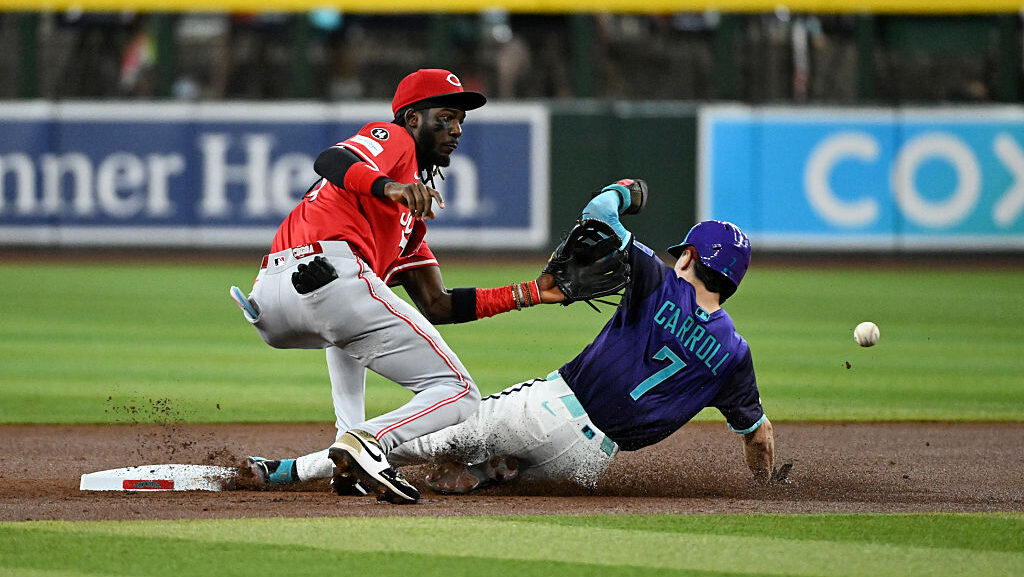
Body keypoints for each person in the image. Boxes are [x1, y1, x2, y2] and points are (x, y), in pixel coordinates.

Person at [246, 179, 785, 494]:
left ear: (689, 255)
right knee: (468, 465)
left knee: (423, 435)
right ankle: (483, 469)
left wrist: (627, 191)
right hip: (588, 465)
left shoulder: (657, 279)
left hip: (550, 410)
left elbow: (598, 212)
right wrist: (766, 487)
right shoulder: (737, 354)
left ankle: (289, 471)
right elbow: (758, 438)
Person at [229, 68, 561, 504]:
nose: (456, 129)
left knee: (351, 326)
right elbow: (330, 160)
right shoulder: (393, 139)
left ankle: (345, 453)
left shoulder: (408, 222)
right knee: (460, 393)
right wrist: (390, 187)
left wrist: (532, 292)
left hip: (275, 306)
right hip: (327, 272)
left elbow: (437, 304)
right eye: (444, 117)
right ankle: (367, 442)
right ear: (412, 119)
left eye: (460, 120)